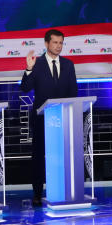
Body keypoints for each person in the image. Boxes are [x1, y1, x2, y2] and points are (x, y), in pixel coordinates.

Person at [20, 28, 78, 205]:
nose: (58, 46)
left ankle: (63, 189)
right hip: (41, 118)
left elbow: (73, 92)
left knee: (63, 155)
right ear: (46, 44)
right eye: (55, 42)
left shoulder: (68, 64)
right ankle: (37, 193)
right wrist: (28, 69)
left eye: (61, 43)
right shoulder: (36, 64)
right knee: (39, 156)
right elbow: (25, 88)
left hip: (63, 118)